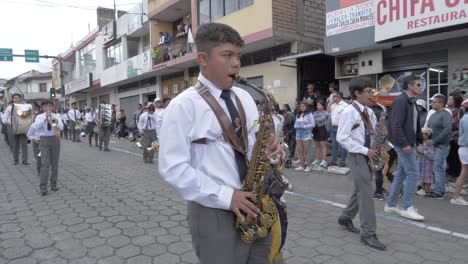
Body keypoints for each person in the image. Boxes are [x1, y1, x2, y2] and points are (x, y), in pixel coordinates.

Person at [158, 22, 284, 264]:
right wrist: (227, 196)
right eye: (227, 56)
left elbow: (254, 144)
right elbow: (172, 168)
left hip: (256, 202)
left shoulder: (245, 97)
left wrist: (271, 145)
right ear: (203, 58)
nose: (236, 63)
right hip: (213, 211)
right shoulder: (183, 106)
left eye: (238, 56)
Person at [336, 76, 386, 251]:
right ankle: (368, 233)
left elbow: (372, 134)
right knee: (366, 192)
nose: (371, 95)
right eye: (368, 92)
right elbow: (341, 137)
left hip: (369, 154)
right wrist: (366, 150)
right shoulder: (349, 112)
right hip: (357, 155)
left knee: (360, 189)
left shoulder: (370, 112)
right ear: (357, 93)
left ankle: (345, 217)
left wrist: (380, 138)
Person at [385, 75, 425, 221]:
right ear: (409, 86)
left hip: (409, 143)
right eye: (418, 84)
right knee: (413, 174)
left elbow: (415, 125)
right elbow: (395, 125)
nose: (421, 87)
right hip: (405, 144)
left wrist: (418, 141)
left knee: (401, 174)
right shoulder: (401, 101)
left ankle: (390, 205)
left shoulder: (411, 102)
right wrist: (404, 144)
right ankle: (407, 207)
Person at [30, 101, 63, 196]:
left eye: (49, 106)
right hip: (44, 140)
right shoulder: (39, 117)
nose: (47, 108)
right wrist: (45, 120)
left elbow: (61, 128)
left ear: (52, 107)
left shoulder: (56, 116)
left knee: (55, 163)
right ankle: (43, 187)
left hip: (55, 139)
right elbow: (35, 127)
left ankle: (53, 184)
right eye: (45, 106)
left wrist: (52, 120)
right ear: (42, 108)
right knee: (45, 164)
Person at [425, 94, 453, 199]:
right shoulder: (433, 114)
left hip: (442, 145)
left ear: (441, 104)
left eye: (434, 102)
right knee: (437, 167)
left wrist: (434, 140)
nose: (432, 103)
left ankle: (439, 191)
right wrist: (427, 138)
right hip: (434, 145)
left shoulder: (446, 115)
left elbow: (447, 130)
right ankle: (439, 189)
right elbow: (429, 129)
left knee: (438, 167)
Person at [450, 99, 468, 205]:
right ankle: (456, 197)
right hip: (466, 148)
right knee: (463, 173)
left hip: (464, 148)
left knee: (464, 173)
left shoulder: (463, 118)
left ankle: (456, 196)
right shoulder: (466, 118)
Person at [3, 94, 29, 165]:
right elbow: (4, 118)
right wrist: (9, 123)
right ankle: (16, 160)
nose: (16, 99)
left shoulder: (24, 107)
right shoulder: (9, 108)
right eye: (15, 98)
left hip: (23, 128)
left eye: (18, 98)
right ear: (13, 99)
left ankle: (25, 160)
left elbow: (27, 117)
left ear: (20, 99)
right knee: (15, 144)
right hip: (13, 128)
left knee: (24, 144)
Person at [327, 91, 348, 167]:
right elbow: (328, 111)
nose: (333, 98)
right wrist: (330, 103)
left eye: (334, 96)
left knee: (342, 145)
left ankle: (342, 160)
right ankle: (334, 160)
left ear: (339, 97)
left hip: (341, 127)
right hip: (333, 127)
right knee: (334, 145)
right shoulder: (333, 105)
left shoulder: (345, 105)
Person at [293, 102, 315, 172]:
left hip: (306, 133)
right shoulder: (298, 114)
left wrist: (305, 126)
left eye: (303, 106)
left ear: (306, 107)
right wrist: (295, 126)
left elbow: (313, 124)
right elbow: (295, 123)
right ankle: (301, 166)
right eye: (301, 106)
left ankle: (309, 166)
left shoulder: (309, 114)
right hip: (298, 133)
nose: (302, 107)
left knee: (306, 151)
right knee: (300, 150)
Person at [416, 127, 435, 196]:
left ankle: (427, 190)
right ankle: (422, 189)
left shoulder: (430, 143)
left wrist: (422, 151)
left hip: (428, 163)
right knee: (422, 176)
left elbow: (432, 154)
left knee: (428, 176)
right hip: (421, 162)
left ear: (427, 135)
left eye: (423, 134)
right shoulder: (421, 142)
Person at [27, 103, 44, 175]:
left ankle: (45, 170)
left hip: (45, 142)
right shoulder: (33, 126)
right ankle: (39, 171)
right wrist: (33, 139)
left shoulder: (46, 125)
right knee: (38, 158)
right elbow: (28, 135)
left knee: (45, 158)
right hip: (37, 143)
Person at [312, 100, 329, 168]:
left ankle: (324, 160)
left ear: (323, 106)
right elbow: (312, 119)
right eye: (317, 105)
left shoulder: (325, 112)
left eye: (319, 105)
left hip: (322, 129)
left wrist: (315, 119)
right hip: (316, 129)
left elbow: (322, 118)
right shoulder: (315, 112)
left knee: (323, 145)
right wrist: (315, 119)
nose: (318, 106)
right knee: (317, 145)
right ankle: (317, 159)